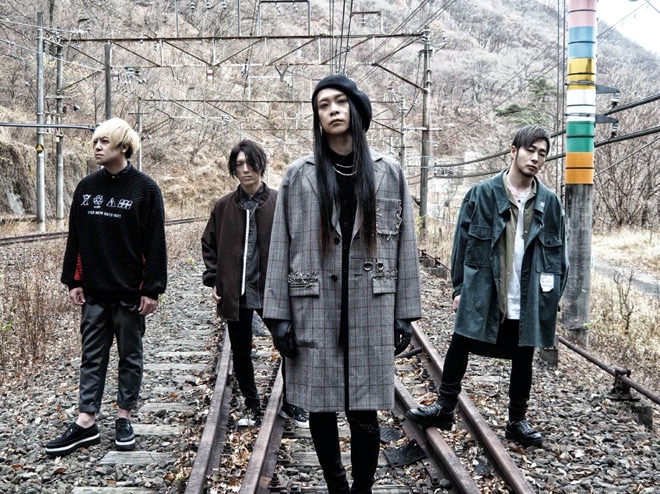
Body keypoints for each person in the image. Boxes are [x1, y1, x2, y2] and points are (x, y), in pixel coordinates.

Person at [263, 74, 421, 493]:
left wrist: (405, 314)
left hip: (372, 304)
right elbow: (279, 245)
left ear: (355, 108)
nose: (332, 110)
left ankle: (362, 488)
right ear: (317, 117)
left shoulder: (388, 172)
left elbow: (405, 244)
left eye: (339, 101)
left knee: (365, 411)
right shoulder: (300, 174)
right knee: (320, 406)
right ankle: (337, 486)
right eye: (323, 105)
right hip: (314, 305)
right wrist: (277, 317)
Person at [406, 124, 568, 447]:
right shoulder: (481, 194)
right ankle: (444, 408)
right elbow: (462, 245)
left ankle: (517, 421)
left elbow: (560, 257)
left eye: (542, 154)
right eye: (530, 150)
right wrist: (459, 288)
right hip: (485, 288)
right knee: (460, 342)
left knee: (524, 355)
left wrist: (551, 299)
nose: (535, 158)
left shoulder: (550, 203)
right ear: (513, 151)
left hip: (528, 293)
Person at [46, 117, 167, 457]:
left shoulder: (145, 189)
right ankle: (86, 421)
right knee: (92, 357)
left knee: (130, 357)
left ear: (123, 147)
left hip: (130, 293)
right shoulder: (86, 188)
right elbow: (76, 238)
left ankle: (124, 417)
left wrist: (152, 289)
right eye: (95, 141)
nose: (97, 147)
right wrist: (73, 279)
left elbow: (155, 243)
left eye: (104, 141)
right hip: (95, 293)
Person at [201, 139, 308, 428]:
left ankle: (293, 403)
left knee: (288, 344)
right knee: (240, 351)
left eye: (250, 163)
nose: (245, 169)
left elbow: (298, 244)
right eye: (239, 164)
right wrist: (214, 279)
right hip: (236, 293)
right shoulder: (224, 206)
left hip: (273, 290)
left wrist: (295, 283)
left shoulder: (279, 202)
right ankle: (251, 405)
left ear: (261, 165)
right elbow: (209, 243)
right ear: (233, 169)